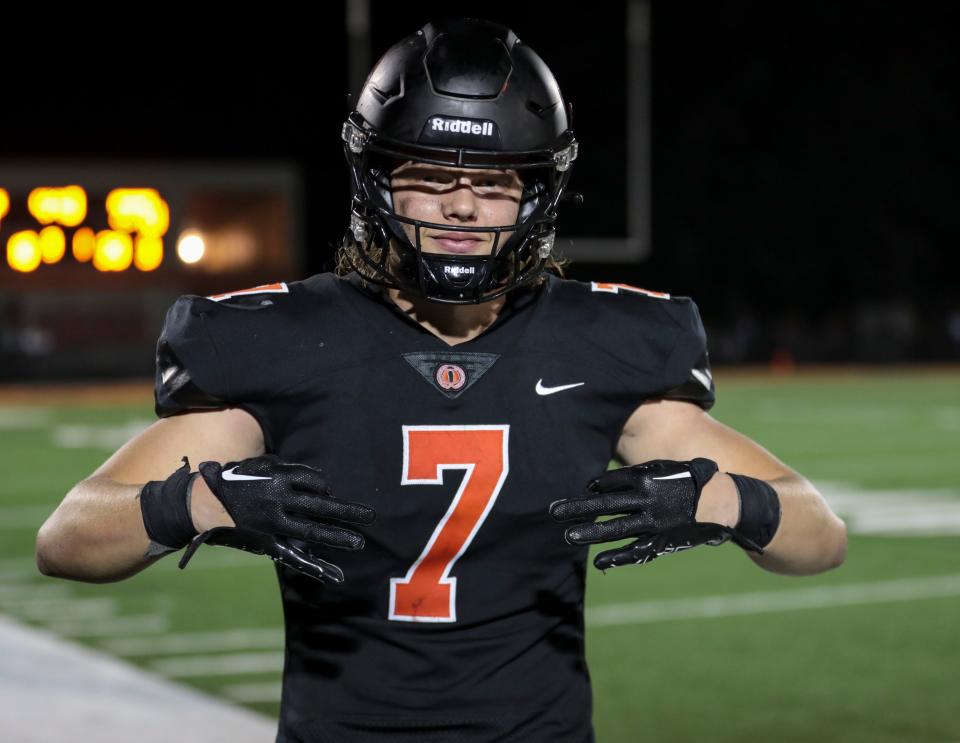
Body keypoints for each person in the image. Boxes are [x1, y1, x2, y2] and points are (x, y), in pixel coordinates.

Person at [36, 17, 847, 743]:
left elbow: (821, 536)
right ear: (376, 180)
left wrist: (728, 502)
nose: (461, 207)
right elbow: (67, 538)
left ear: (536, 192)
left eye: (492, 182)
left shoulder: (598, 343)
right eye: (430, 174)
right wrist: (197, 501)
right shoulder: (285, 341)